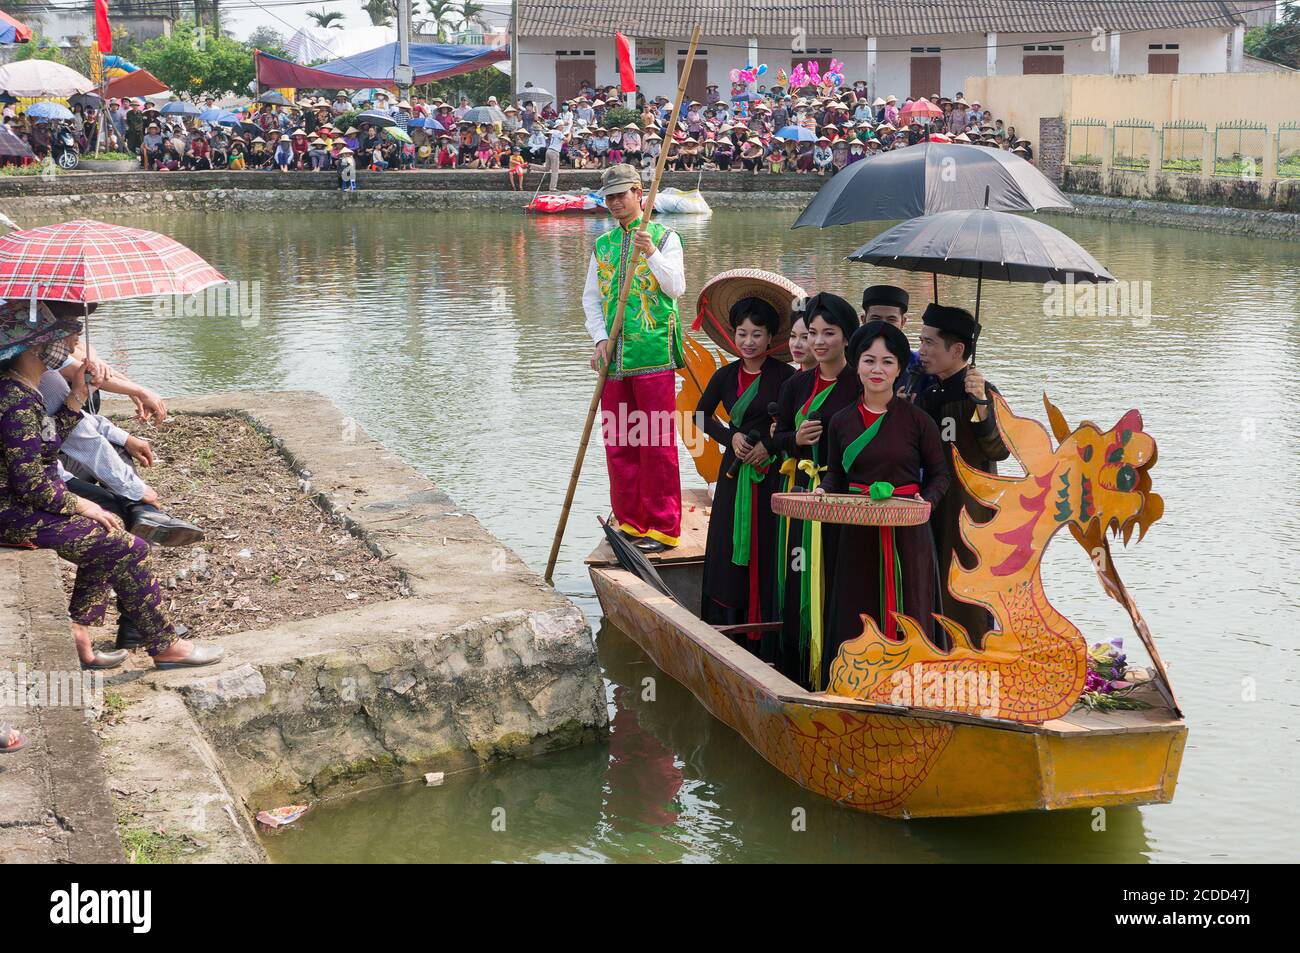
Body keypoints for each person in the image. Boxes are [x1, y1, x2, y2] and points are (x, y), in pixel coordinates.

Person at [0, 304, 221, 669]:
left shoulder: (27, 390)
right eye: (63, 335)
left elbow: (48, 448)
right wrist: (79, 504)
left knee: (110, 530)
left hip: (23, 505)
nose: (73, 341)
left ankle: (79, 632)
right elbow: (30, 481)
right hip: (13, 514)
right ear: (35, 347)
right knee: (127, 547)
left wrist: (75, 395)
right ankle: (165, 644)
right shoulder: (16, 402)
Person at [818, 321, 950, 686]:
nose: (877, 370)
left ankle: (916, 682)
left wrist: (926, 501)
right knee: (856, 603)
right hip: (858, 525)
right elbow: (834, 477)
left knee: (912, 603)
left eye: (888, 361)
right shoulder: (840, 422)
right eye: (869, 360)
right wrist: (823, 492)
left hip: (909, 526)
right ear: (856, 364)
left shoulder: (917, 420)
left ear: (899, 369)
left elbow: (941, 475)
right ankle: (854, 681)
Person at [582, 164, 686, 553]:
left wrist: (652, 253)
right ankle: (629, 521)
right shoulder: (603, 245)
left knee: (656, 444)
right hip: (614, 359)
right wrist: (599, 340)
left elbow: (676, 288)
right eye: (608, 197)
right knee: (620, 442)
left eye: (620, 195)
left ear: (640, 193)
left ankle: (662, 527)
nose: (614, 204)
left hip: (653, 354)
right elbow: (591, 299)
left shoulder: (665, 237)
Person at [770, 293, 861, 688]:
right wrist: (796, 438)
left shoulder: (860, 383)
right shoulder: (796, 384)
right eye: (813, 333)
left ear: (847, 337)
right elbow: (777, 441)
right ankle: (796, 665)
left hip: (841, 494)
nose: (818, 341)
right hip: (801, 492)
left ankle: (838, 666)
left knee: (836, 574)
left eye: (829, 333)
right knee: (797, 573)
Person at [696, 298, 795, 654]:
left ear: (771, 338)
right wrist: (730, 436)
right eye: (742, 333)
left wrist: (769, 446)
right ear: (733, 335)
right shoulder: (724, 375)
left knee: (769, 545)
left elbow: (795, 424)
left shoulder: (787, 376)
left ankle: (769, 629)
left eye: (757, 334)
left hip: (771, 473)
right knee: (726, 546)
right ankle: (728, 627)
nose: (749, 341)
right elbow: (700, 416)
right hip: (734, 474)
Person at [914, 304, 1009, 649]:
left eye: (929, 343)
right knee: (930, 572)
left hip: (969, 505)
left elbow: (999, 449)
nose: (921, 350)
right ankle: (933, 645)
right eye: (920, 341)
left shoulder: (982, 392)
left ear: (956, 350)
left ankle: (976, 650)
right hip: (928, 499)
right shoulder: (924, 390)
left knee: (966, 577)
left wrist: (981, 402)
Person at [860, 284, 935, 397]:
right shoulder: (848, 362)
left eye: (891, 320)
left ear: (903, 322)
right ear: (864, 320)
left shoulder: (920, 365)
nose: (883, 326)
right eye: (876, 319)